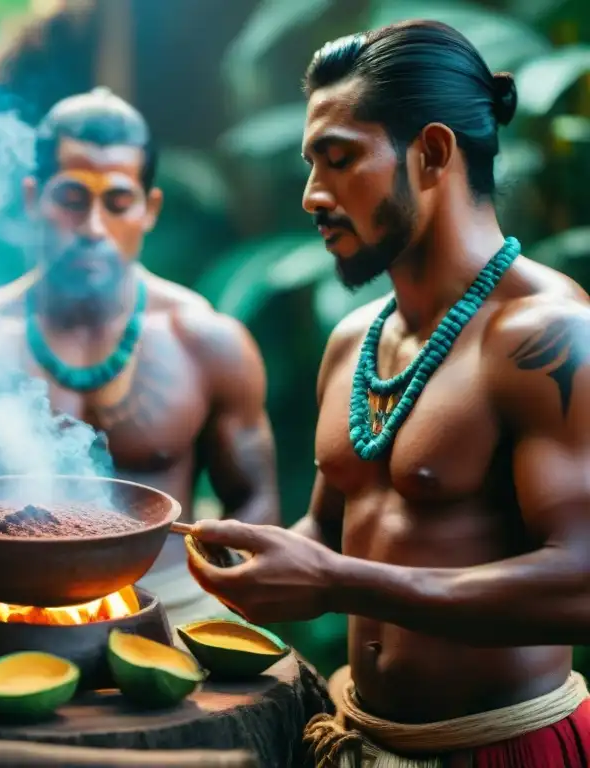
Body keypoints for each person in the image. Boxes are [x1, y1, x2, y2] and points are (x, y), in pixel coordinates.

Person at [186, 19, 590, 767]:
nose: (312, 195)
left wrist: (337, 581)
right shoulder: (356, 340)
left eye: (339, 160)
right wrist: (224, 566)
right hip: (352, 739)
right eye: (312, 163)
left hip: (502, 750)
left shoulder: (549, 337)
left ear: (433, 153)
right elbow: (330, 531)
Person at [0, 87, 279, 627]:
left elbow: (256, 503)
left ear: (149, 209)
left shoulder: (206, 341)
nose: (94, 229)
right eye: (73, 200)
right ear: (34, 199)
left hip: (173, 606)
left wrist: (227, 598)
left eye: (118, 202)